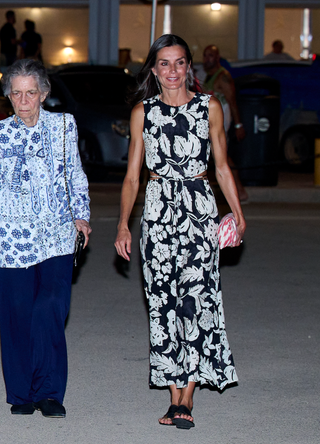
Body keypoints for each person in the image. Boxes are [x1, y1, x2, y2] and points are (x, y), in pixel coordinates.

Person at [114, 34, 246, 430]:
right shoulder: (144, 112)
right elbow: (132, 178)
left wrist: (237, 214)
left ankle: (185, 398)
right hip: (158, 212)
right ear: (153, 70)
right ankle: (175, 394)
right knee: (164, 302)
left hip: (199, 209)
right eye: (164, 64)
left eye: (180, 62)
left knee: (197, 299)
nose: (173, 71)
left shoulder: (210, 107)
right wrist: (123, 224)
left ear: (190, 66)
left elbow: (221, 166)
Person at [0, 59, 91, 418]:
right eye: (16, 93)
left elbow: (76, 175)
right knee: (17, 313)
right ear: (9, 97)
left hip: (56, 232)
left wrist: (81, 215)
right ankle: (22, 393)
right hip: (10, 236)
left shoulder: (64, 126)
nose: (24, 100)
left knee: (50, 307)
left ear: (44, 94)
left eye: (31, 93)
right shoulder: (0, 134)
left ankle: (49, 391)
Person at [202, 44, 248, 201]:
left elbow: (232, 101)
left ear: (217, 57)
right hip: (211, 122)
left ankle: (238, 191)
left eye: (210, 55)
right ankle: (233, 191)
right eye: (205, 55)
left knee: (221, 156)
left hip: (220, 122)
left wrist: (238, 125)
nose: (207, 59)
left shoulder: (223, 76)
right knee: (217, 156)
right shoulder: (209, 77)